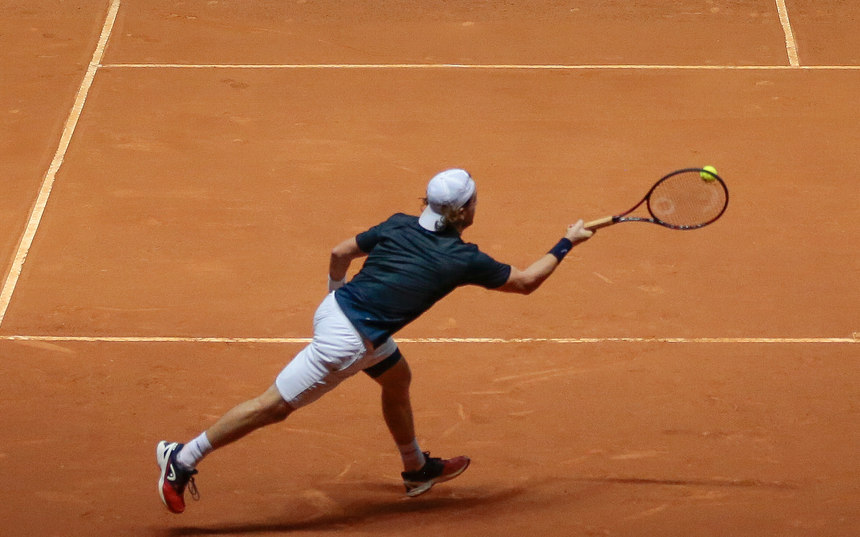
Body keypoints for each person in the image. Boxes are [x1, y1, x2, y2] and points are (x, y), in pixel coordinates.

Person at [155, 170, 592, 514]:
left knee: (397, 379)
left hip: (341, 312)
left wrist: (334, 299)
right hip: (347, 343)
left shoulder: (399, 224)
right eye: (474, 201)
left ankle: (416, 468)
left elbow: (339, 252)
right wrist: (567, 242)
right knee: (273, 407)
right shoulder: (462, 259)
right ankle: (183, 456)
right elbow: (527, 282)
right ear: (461, 212)